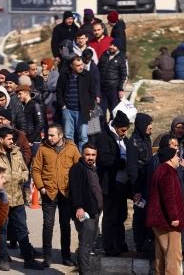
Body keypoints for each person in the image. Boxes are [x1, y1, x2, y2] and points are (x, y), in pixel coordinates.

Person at [0, 127, 43, 271]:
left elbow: (25, 170)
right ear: (1, 140)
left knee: (22, 229)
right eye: (10, 139)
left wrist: (21, 177)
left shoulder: (16, 152)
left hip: (17, 199)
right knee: (1, 230)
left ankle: (28, 259)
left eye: (13, 139)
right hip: (0, 201)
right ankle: (4, 259)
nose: (13, 142)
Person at [31, 123, 81, 268]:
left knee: (65, 225)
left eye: (52, 135)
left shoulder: (72, 148)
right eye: (48, 135)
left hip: (66, 193)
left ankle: (66, 256)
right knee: (48, 224)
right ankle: (47, 257)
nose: (49, 137)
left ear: (60, 135)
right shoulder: (43, 149)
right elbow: (35, 169)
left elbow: (79, 168)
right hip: (49, 193)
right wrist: (41, 187)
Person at [146, 147, 184, 274]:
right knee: (173, 257)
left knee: (161, 258)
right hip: (168, 223)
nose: (178, 159)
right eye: (176, 156)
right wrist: (174, 217)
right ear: (170, 157)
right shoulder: (167, 172)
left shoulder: (160, 170)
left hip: (160, 221)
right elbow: (169, 197)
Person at [95, 110, 131, 256]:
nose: (124, 133)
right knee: (110, 216)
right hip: (109, 184)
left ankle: (120, 243)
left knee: (121, 216)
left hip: (122, 183)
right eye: (122, 130)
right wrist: (121, 163)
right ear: (116, 127)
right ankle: (109, 246)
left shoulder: (124, 139)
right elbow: (104, 159)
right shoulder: (104, 138)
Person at [69, 143, 103, 274]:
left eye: (93, 155)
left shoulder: (93, 168)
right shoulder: (78, 168)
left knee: (89, 243)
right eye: (88, 154)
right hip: (85, 212)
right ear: (82, 154)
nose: (90, 157)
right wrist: (79, 207)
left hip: (94, 211)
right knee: (86, 245)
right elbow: (75, 190)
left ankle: (83, 268)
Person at [56, 55, 97, 152]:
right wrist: (63, 105)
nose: (81, 67)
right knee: (68, 135)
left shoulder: (88, 75)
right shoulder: (64, 75)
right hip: (68, 110)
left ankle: (82, 158)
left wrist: (91, 108)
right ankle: (70, 157)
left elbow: (92, 93)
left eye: (82, 64)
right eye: (78, 65)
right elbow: (59, 91)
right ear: (71, 66)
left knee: (83, 136)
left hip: (83, 111)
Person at [126, 113, 153, 254]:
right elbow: (132, 169)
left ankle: (146, 243)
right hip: (138, 187)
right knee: (139, 216)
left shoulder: (146, 139)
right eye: (149, 124)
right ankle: (139, 244)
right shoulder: (133, 143)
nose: (151, 127)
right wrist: (136, 191)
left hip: (147, 183)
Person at [98, 39, 127, 125]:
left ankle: (112, 129)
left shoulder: (121, 58)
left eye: (114, 46)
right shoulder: (104, 56)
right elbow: (98, 69)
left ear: (118, 48)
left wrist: (121, 89)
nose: (111, 47)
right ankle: (102, 132)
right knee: (101, 112)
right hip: (102, 89)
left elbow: (123, 75)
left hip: (113, 89)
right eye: (111, 45)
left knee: (113, 112)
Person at [15, 84, 45, 152]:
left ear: (26, 93)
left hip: (34, 141)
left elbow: (40, 123)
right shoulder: (24, 105)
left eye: (20, 94)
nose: (18, 96)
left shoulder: (35, 104)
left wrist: (30, 139)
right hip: (27, 139)